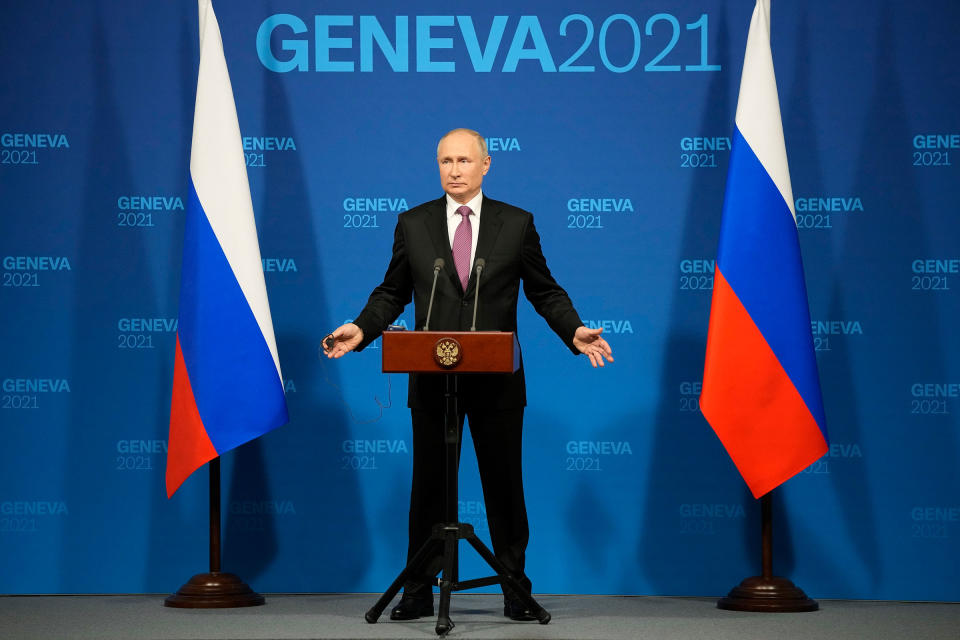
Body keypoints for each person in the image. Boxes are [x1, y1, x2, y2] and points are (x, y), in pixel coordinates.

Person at [323, 128, 613, 621]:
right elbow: (391, 292)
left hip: (497, 381)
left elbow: (545, 291)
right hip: (433, 381)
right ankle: (417, 589)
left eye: (463, 160)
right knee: (429, 489)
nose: (454, 169)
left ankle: (514, 589)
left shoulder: (516, 223)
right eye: (445, 161)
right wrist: (361, 329)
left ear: (486, 164)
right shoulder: (413, 223)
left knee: (504, 488)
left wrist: (575, 331)